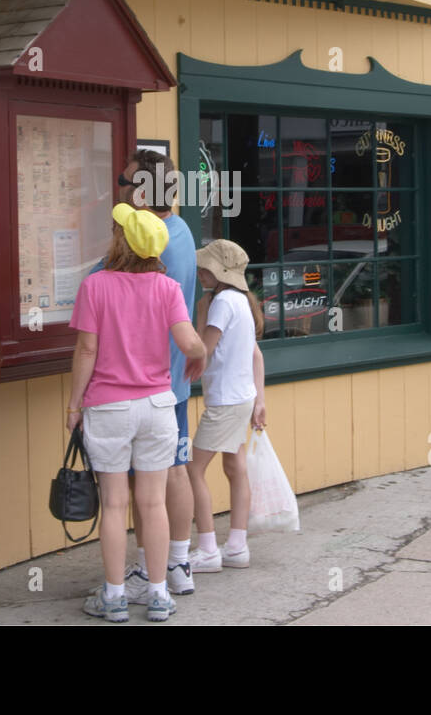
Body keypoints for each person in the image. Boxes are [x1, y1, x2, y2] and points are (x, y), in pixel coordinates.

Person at [67, 203, 206, 623]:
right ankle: (159, 595)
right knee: (153, 504)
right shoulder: (166, 289)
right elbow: (191, 343)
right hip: (158, 406)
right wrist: (196, 359)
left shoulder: (96, 286)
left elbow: (86, 350)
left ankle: (114, 598)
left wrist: (74, 404)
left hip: (108, 406)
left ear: (121, 240)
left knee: (113, 504)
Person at [114, 149, 201, 603]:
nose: (120, 191)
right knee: (176, 470)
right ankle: (179, 563)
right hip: (175, 380)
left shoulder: (143, 242)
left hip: (140, 385)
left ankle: (150, 569)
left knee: (141, 483)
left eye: (124, 183)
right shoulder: (183, 232)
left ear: (143, 193)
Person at [186, 239, 267, 572]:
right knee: (235, 469)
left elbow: (201, 351)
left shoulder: (219, 304)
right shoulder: (242, 302)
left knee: (192, 469)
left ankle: (207, 549)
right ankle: (236, 546)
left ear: (217, 272)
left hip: (225, 402)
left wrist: (199, 317)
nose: (200, 271)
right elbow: (255, 354)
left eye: (205, 267)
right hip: (242, 396)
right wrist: (260, 399)